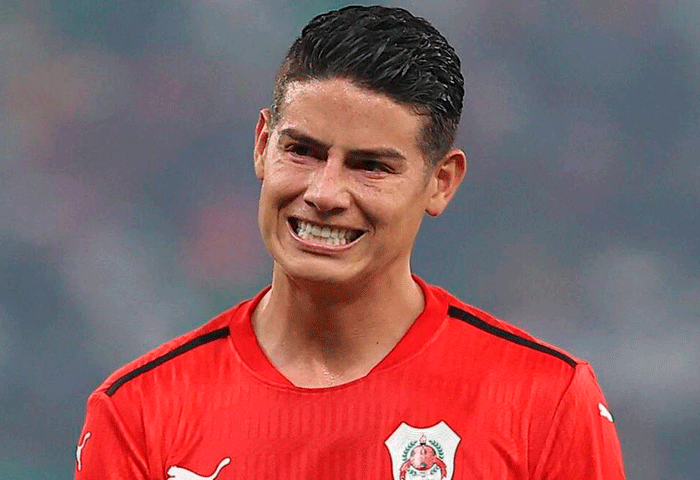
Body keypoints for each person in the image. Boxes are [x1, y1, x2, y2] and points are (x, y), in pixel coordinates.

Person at [75, 6, 625, 479]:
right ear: (263, 145)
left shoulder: (545, 401)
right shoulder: (138, 413)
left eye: (370, 166)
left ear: (441, 182)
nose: (324, 193)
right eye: (303, 152)